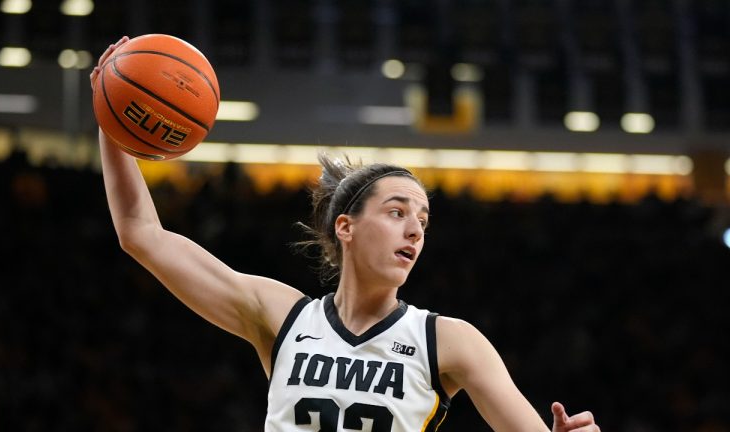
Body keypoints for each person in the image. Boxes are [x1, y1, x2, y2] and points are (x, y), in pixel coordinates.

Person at [91, 36, 601, 432]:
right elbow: (141, 233)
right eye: (398, 212)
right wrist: (109, 116)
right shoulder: (280, 316)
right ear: (346, 226)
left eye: (423, 220)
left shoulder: (447, 340)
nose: (415, 230)